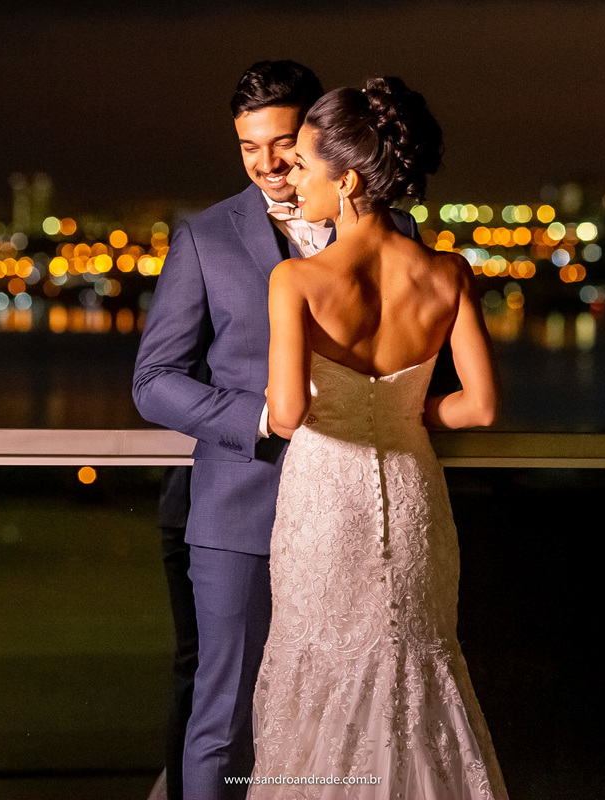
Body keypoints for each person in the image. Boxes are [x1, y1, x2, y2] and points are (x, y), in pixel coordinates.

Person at [134, 60, 421, 800]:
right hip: (241, 511)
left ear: (322, 135)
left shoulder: (395, 226)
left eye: (283, 140)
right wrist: (261, 419)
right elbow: (154, 380)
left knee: (349, 714)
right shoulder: (204, 237)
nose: (266, 163)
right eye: (246, 146)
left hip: (359, 513)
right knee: (222, 718)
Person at [251, 77, 507, 799]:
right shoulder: (448, 274)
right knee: (415, 675)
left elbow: (288, 414)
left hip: (325, 501)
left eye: (302, 163)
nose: (289, 176)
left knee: (318, 670)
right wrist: (414, 413)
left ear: (349, 179)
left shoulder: (296, 280)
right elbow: (481, 406)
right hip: (414, 494)